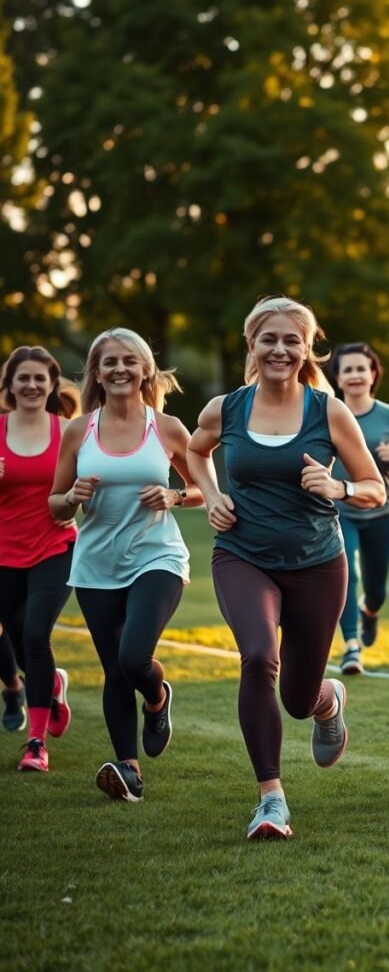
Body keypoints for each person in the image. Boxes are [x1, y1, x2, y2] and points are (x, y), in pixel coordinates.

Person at [188, 299, 384, 840]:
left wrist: (338, 486)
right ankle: (271, 798)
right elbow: (195, 452)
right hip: (242, 555)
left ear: (307, 348)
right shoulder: (226, 408)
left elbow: (374, 488)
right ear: (251, 345)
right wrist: (211, 495)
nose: (280, 349)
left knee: (298, 700)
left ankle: (327, 699)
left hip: (317, 564)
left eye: (291, 340)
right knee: (258, 657)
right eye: (268, 339)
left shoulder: (329, 411)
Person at [49, 329, 199, 799]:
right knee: (115, 670)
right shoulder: (79, 430)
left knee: (133, 656)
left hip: (158, 555)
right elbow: (54, 504)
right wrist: (71, 497)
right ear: (96, 372)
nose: (119, 369)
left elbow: (205, 489)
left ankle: (157, 697)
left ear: (145, 369)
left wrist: (174, 495)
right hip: (96, 564)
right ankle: (129, 771)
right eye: (109, 362)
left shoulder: (167, 427)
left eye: (129, 361)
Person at [0, 346, 78, 771]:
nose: (31, 385)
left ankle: (36, 744)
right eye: (23, 378)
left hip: (55, 546)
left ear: (51, 385)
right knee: (16, 637)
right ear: (10, 385)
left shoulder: (67, 432)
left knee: (34, 635)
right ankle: (51, 687)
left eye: (39, 378)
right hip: (4, 553)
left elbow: (89, 489)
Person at [326, 343, 389, 675]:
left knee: (377, 589)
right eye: (348, 370)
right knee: (347, 575)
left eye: (361, 369)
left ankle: (370, 610)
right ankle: (351, 647)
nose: (355, 375)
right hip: (339, 510)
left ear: (373, 374)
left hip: (381, 511)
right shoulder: (327, 413)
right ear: (338, 377)